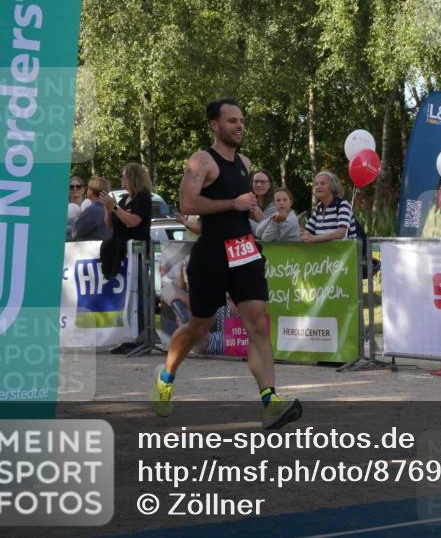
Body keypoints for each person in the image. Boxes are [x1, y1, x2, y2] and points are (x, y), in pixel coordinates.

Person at [153, 98, 302, 430]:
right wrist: (232, 203)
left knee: (258, 325)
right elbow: (188, 202)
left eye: (242, 121)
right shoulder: (201, 161)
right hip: (211, 254)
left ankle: (269, 401)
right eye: (232, 120)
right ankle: (166, 376)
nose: (239, 126)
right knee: (199, 327)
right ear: (214, 125)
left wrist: (248, 210)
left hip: (243, 251)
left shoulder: (246, 163)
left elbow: (237, 202)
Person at [101, 163, 154, 354]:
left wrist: (114, 207)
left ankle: (141, 337)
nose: (121, 179)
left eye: (123, 176)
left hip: (138, 253)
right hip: (123, 253)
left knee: (139, 294)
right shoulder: (124, 199)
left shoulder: (143, 199)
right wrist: (109, 209)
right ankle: (129, 336)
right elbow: (110, 225)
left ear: (133, 177)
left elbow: (132, 222)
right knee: (127, 296)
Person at [301, 171, 357, 243]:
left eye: (322, 183)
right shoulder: (318, 208)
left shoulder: (342, 205)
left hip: (345, 253)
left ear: (332, 187)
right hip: (325, 253)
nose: (318, 186)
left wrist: (314, 238)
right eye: (316, 184)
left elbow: (341, 233)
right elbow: (307, 231)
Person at [71, 176, 111, 242]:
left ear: (91, 191)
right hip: (105, 246)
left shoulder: (93, 210)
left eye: (88, 188)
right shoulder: (110, 208)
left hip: (91, 248)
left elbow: (75, 233)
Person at [249, 170, 277, 239]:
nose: (259, 185)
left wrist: (242, 220)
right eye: (256, 181)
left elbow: (265, 232)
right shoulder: (247, 200)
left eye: (263, 182)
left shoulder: (276, 204)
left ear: (270, 185)